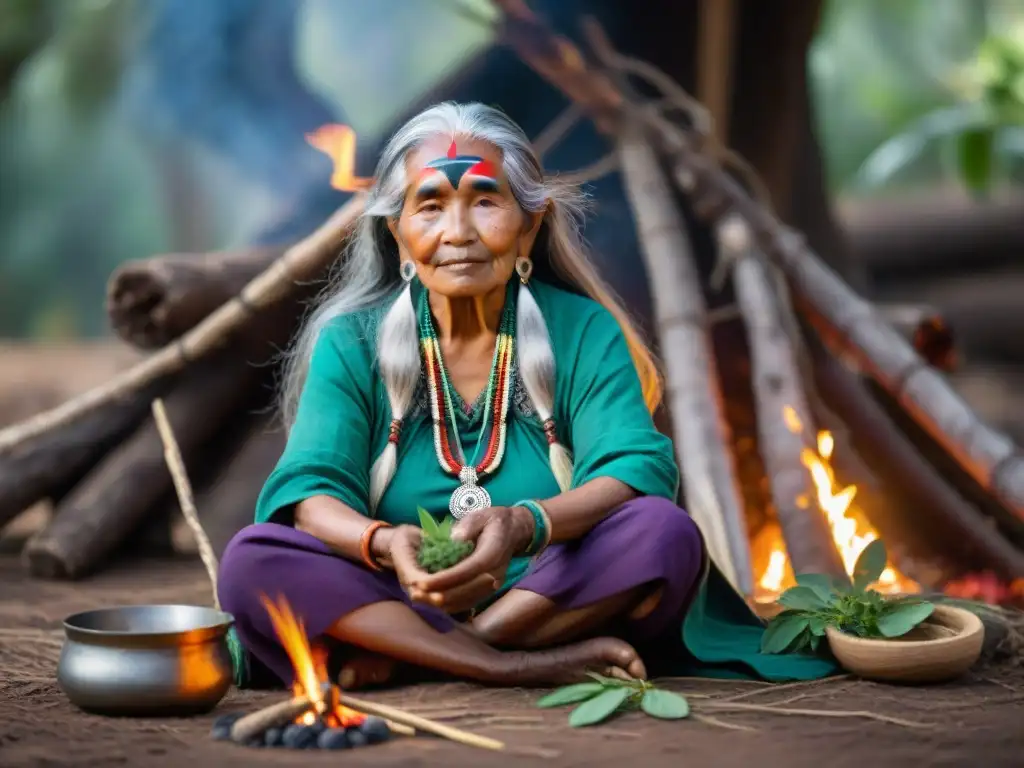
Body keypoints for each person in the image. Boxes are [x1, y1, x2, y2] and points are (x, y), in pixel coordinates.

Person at [217, 102, 837, 690]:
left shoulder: (583, 330)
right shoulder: (352, 342)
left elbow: (634, 467)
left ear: (529, 224)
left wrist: (525, 523)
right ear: (398, 234)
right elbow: (309, 493)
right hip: (395, 593)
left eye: (484, 201)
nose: (457, 232)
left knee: (661, 531)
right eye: (429, 207)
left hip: (545, 589)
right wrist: (382, 543)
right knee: (254, 558)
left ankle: (440, 652)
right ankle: (505, 666)